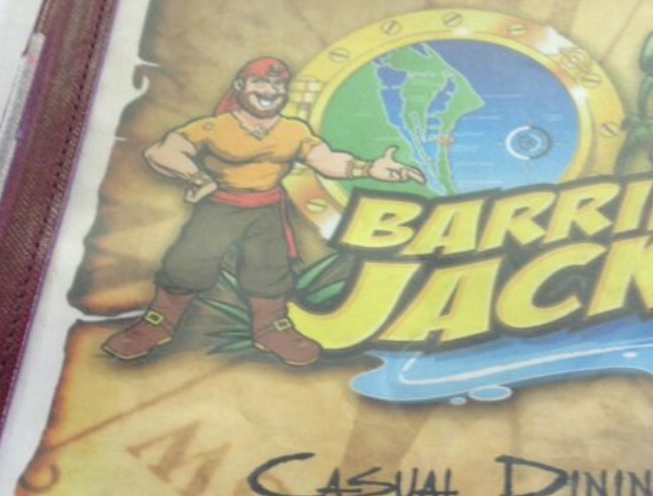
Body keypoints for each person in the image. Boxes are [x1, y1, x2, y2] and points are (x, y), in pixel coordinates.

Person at [103, 56, 423, 366]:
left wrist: (370, 168)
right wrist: (198, 177)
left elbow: (326, 161)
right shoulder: (214, 127)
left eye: (278, 85)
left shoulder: (294, 131)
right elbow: (163, 152)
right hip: (220, 207)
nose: (270, 91)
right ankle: (157, 324)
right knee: (187, 264)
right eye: (260, 82)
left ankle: (271, 330)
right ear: (240, 86)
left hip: (266, 210)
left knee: (269, 270)